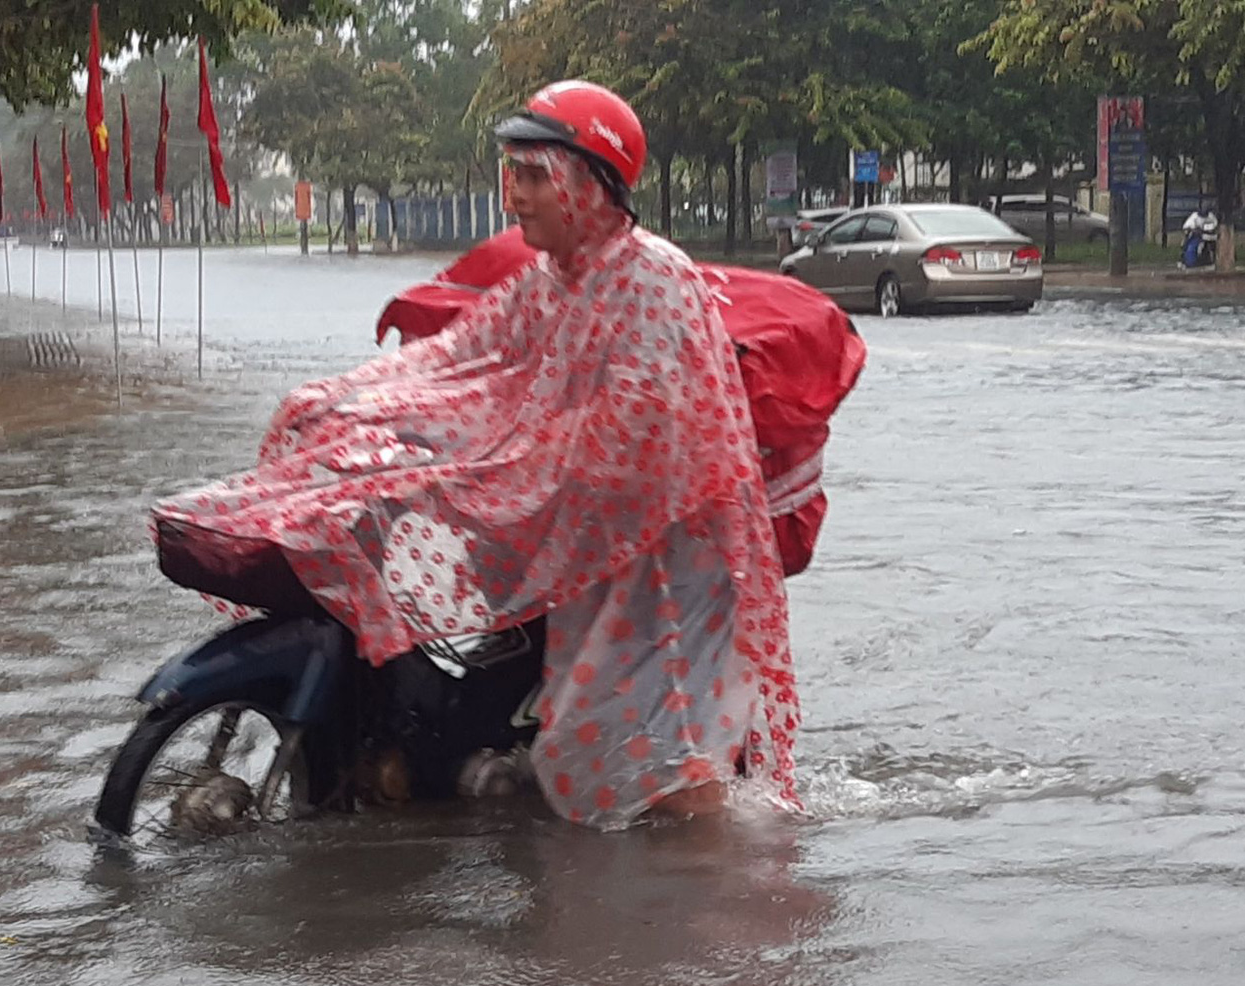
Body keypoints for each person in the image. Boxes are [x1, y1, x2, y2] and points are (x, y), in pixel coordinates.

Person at [150, 80, 800, 829]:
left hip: (661, 552)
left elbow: (633, 431)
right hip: (577, 524)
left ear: (589, 185)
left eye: (533, 177)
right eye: (512, 175)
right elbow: (458, 357)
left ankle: (715, 886)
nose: (515, 196)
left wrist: (491, 467)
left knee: (651, 757)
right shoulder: (550, 281)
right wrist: (343, 400)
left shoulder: (655, 282)